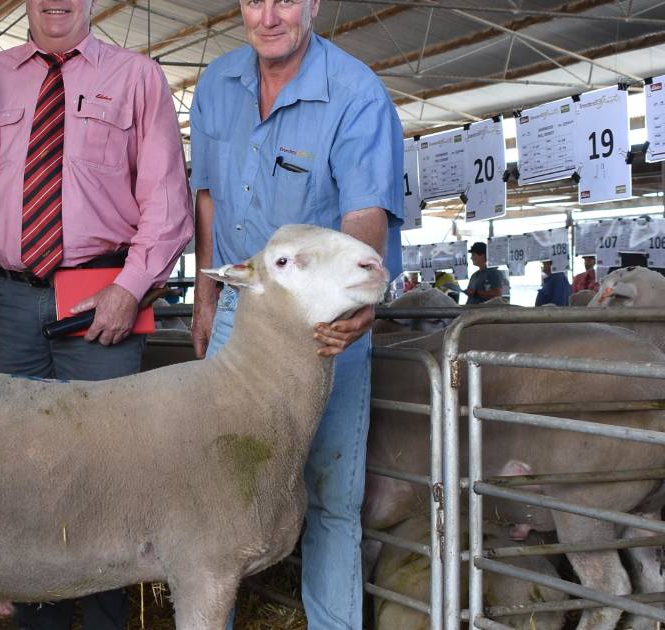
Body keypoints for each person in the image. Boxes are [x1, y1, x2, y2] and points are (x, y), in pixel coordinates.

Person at [0, 0, 193, 624]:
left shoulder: (137, 76)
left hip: (103, 294)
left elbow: (167, 198)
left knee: (103, 468)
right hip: (11, 293)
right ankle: (36, 613)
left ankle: (102, 618)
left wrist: (133, 285)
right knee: (20, 463)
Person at [188, 0, 404, 624]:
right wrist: (206, 297)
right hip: (241, 307)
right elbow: (207, 195)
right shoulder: (216, 84)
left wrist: (362, 295)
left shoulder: (355, 92)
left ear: (313, 5)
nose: (269, 15)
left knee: (331, 493)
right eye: (254, 0)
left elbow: (365, 209)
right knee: (222, 484)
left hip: (325, 319)